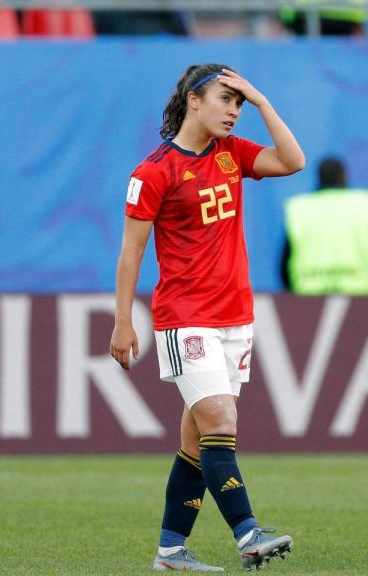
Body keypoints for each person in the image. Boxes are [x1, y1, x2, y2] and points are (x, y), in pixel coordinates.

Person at [110, 64, 306, 572]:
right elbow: (131, 253)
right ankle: (248, 534)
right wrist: (123, 320)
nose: (234, 111)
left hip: (235, 317)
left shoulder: (233, 154)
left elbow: (293, 160)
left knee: (198, 441)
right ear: (193, 101)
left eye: (239, 103)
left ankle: (170, 552)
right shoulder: (152, 172)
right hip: (185, 316)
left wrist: (262, 101)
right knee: (222, 421)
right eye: (226, 99)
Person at [281, 156, 368, 295]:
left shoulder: (299, 209)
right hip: (362, 296)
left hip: (308, 297)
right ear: (344, 176)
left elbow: (285, 261)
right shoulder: (362, 205)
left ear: (319, 179)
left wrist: (290, 297)